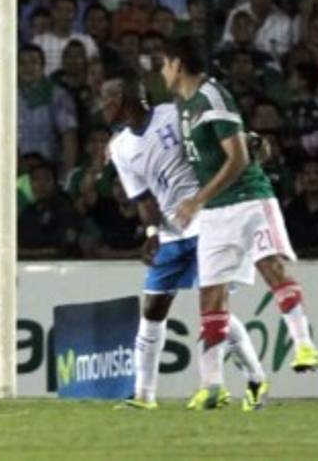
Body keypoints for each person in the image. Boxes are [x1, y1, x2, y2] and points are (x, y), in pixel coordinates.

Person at [160, 37, 318, 411]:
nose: (161, 71)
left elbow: (235, 160)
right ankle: (212, 385)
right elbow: (236, 143)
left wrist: (196, 200)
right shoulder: (185, 105)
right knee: (210, 293)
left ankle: (305, 346)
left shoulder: (211, 95)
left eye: (164, 64)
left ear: (177, 64)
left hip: (250, 200)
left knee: (270, 265)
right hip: (216, 212)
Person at [99, 76, 266, 411]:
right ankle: (144, 396)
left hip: (210, 220)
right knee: (153, 309)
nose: (101, 106)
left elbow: (221, 140)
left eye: (106, 98)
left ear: (124, 96)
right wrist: (150, 234)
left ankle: (254, 378)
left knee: (213, 310)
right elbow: (144, 200)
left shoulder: (175, 114)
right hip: (172, 233)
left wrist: (251, 142)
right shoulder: (119, 148)